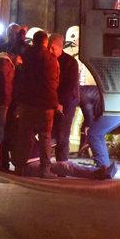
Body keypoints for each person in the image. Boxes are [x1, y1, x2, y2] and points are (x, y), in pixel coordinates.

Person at [14, 30, 59, 178]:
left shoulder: (26, 56)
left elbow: (20, 77)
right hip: (46, 104)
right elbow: (56, 80)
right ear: (46, 42)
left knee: (25, 135)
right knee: (45, 136)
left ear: (33, 41)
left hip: (28, 102)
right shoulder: (52, 59)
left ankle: (19, 167)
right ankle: (45, 169)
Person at [48, 33, 80, 162]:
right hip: (53, 101)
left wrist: (59, 103)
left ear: (60, 47)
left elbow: (69, 86)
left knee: (62, 135)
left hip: (66, 103)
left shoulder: (70, 62)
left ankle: (62, 165)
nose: (50, 51)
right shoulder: (49, 60)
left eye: (53, 48)